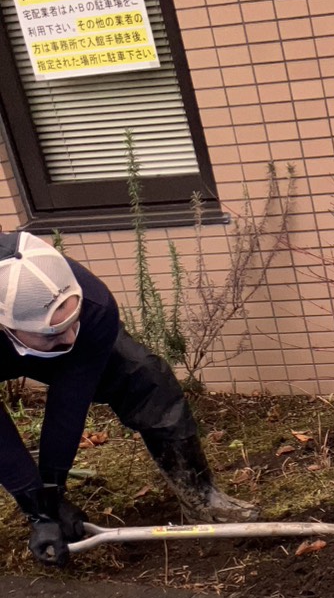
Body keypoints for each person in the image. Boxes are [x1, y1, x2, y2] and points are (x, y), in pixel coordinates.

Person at [0, 230, 257, 567]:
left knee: (145, 378)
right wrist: (37, 510)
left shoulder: (93, 303)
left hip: (38, 333)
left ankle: (202, 499)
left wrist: (51, 490)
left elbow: (70, 401)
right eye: (55, 333)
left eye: (73, 322)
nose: (71, 338)